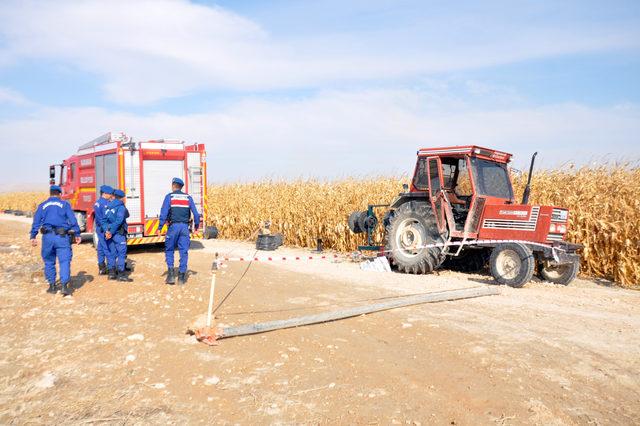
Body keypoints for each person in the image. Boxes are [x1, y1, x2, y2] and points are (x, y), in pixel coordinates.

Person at [29, 185, 81, 296]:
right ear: (60, 194)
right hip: (62, 237)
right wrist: (77, 233)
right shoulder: (65, 205)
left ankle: (52, 286)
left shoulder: (42, 205)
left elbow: (36, 222)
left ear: (50, 193)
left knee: (48, 261)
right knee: (64, 261)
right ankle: (64, 286)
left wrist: (33, 236)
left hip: (47, 237)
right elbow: (73, 220)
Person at [159, 177, 200, 285]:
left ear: (173, 186)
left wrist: (159, 227)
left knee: (169, 250)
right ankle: (181, 278)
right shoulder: (188, 197)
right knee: (184, 252)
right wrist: (196, 227)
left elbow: (163, 213)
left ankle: (171, 276)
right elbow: (196, 214)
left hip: (173, 228)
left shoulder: (169, 197)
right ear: (181, 187)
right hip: (184, 228)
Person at [103, 189, 132, 282]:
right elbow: (120, 220)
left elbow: (104, 221)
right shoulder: (121, 207)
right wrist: (111, 231)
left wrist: (107, 231)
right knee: (121, 253)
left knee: (112, 252)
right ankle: (121, 274)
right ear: (122, 198)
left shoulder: (107, 206)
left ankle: (111, 273)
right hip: (118, 233)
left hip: (109, 233)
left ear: (114, 196)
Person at [93, 185, 114, 275]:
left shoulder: (97, 202)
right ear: (105, 194)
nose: (111, 196)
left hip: (99, 228)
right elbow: (104, 219)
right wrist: (107, 230)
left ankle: (102, 268)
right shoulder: (105, 204)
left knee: (101, 248)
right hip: (104, 228)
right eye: (110, 194)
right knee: (108, 248)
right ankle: (111, 270)